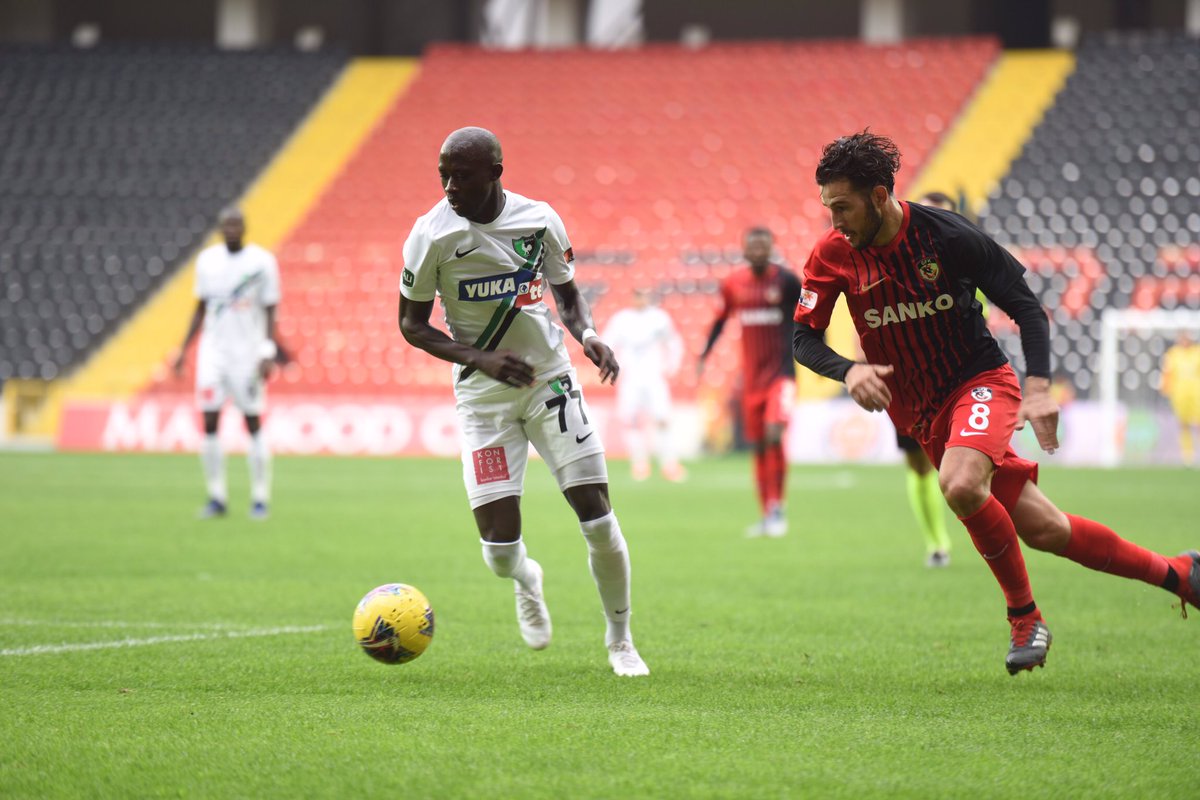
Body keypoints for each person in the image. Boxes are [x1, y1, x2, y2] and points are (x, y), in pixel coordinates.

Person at [792, 131, 1199, 675]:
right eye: (829, 208)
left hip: (979, 381)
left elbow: (1027, 308)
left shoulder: (948, 237)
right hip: (924, 413)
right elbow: (803, 338)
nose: (835, 221)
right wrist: (848, 370)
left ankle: (1025, 617)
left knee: (960, 485)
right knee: (1047, 529)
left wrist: (1038, 388)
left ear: (880, 195)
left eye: (843, 207)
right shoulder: (833, 253)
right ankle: (1180, 574)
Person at [397, 126, 649, 677]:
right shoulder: (431, 234)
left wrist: (589, 336)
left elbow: (567, 294)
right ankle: (527, 578)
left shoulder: (539, 219)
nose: (449, 187)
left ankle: (621, 640)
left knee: (597, 516)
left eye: (461, 176)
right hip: (484, 400)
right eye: (443, 175)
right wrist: (480, 358)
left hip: (548, 382)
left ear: (495, 173)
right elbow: (411, 325)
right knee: (498, 550)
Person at [173, 207, 286, 520]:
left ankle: (260, 498)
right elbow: (201, 307)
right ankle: (217, 496)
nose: (232, 229)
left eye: (237, 224)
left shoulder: (262, 262)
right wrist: (183, 349)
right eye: (227, 225)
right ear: (220, 228)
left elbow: (271, 308)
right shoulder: (207, 261)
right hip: (213, 354)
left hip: (247, 355)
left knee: (252, 421)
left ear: (244, 228)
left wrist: (267, 350)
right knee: (209, 421)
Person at [697, 227, 803, 538]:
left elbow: (810, 318)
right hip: (752, 380)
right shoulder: (734, 284)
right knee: (758, 445)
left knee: (774, 434)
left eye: (763, 246)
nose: (758, 251)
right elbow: (720, 320)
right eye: (752, 247)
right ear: (744, 250)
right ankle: (767, 513)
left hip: (782, 375)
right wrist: (704, 354)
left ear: (771, 249)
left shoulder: (787, 282)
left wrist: (818, 353)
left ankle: (778, 508)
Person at [601, 287, 686, 482]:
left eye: (644, 295)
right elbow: (607, 343)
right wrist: (615, 366)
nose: (640, 299)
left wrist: (671, 366)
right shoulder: (621, 319)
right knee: (631, 420)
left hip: (654, 377)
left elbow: (674, 342)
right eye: (637, 295)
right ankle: (639, 464)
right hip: (629, 379)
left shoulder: (659, 318)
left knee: (662, 418)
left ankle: (669, 464)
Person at [1161, 330, 1200, 466]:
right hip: (1179, 394)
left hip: (1197, 393)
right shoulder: (1173, 354)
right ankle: (1188, 456)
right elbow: (1167, 373)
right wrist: (1165, 388)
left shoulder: (1197, 352)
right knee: (1183, 424)